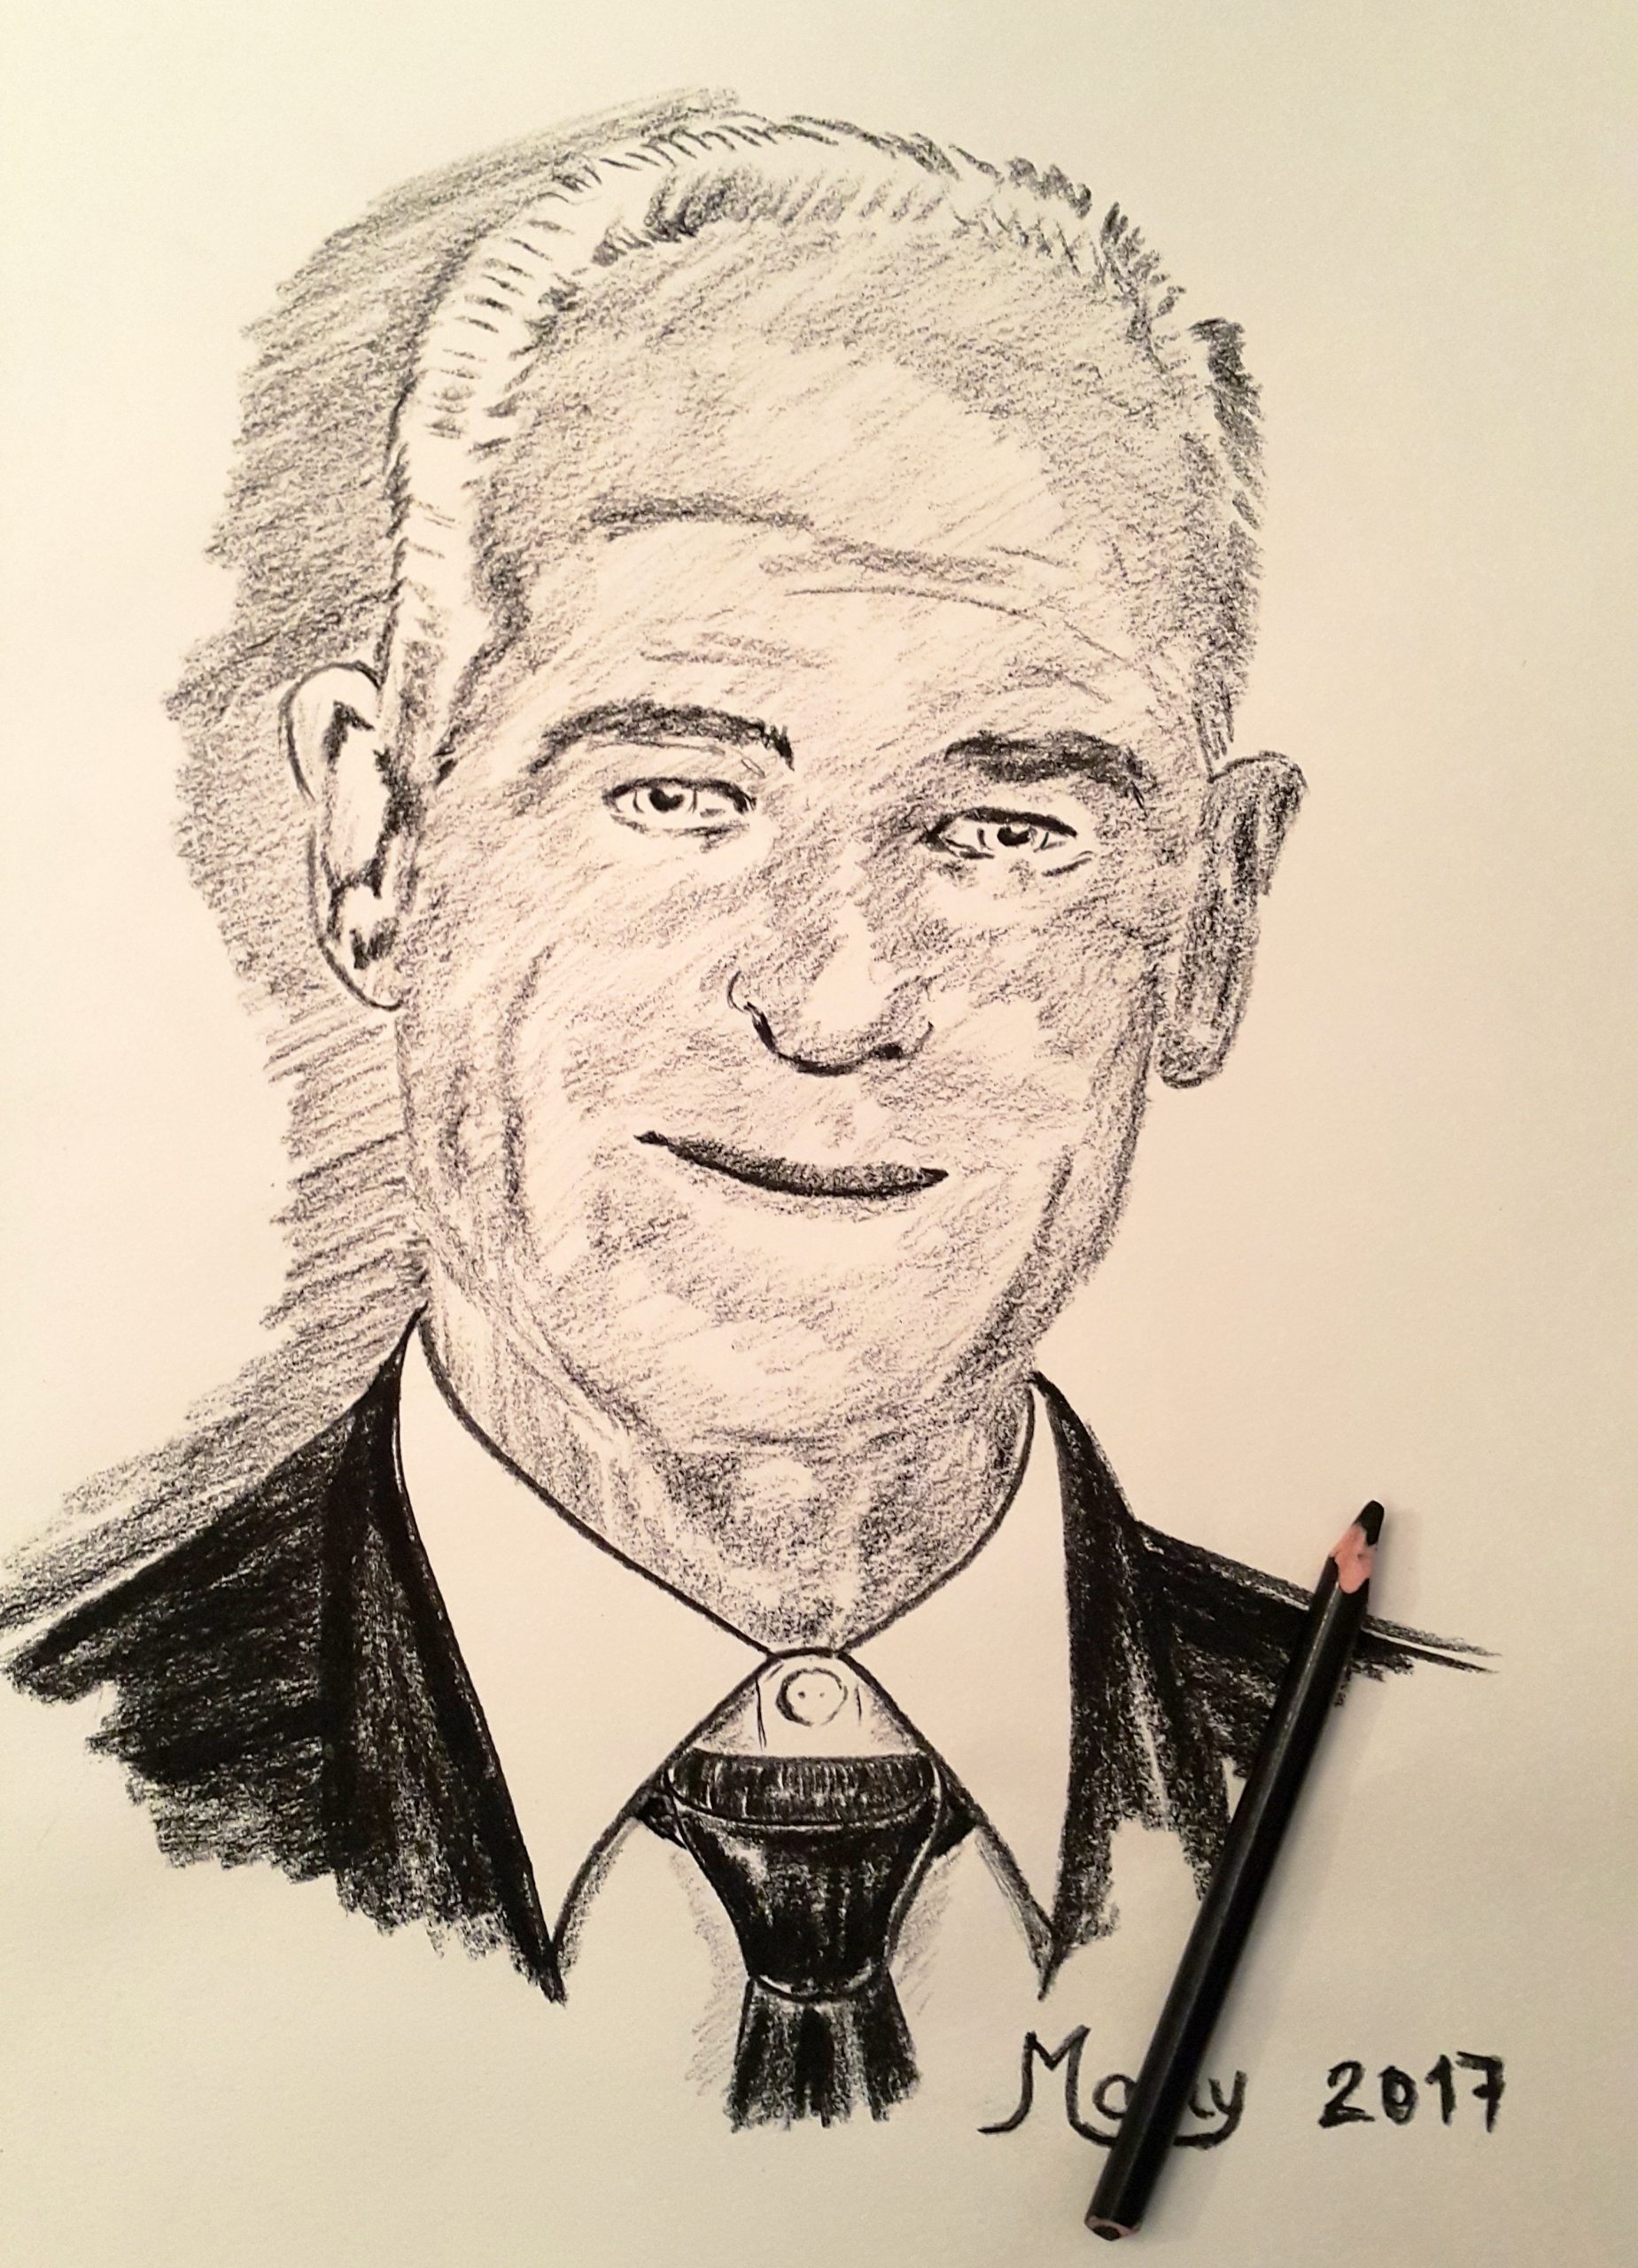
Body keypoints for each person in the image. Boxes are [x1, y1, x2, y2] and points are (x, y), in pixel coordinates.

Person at [2, 105, 1474, 2129]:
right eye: (678, 794)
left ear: (1210, 920)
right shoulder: (56, 1766)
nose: (838, 997)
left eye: (1004, 826)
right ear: (374, 837)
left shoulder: (1457, 1800)